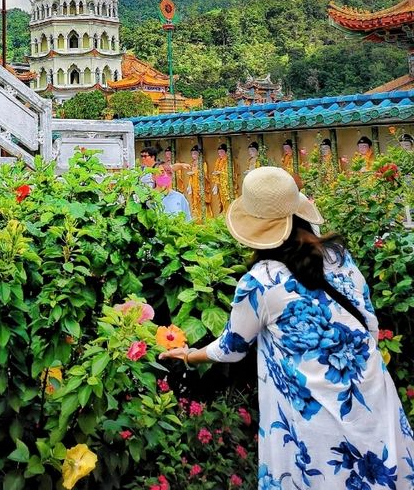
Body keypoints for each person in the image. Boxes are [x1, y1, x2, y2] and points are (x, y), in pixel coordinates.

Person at [159, 166, 414, 488]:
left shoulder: (261, 282)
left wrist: (190, 355)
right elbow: (370, 324)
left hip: (315, 419)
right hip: (371, 397)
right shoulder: (338, 256)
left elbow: (232, 348)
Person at [183, 145, 211, 222]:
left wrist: (195, 173)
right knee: (194, 202)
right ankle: (197, 218)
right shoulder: (192, 163)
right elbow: (190, 177)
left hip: (200, 186)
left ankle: (204, 218)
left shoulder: (203, 163)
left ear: (199, 154)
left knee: (201, 201)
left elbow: (204, 174)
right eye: (192, 154)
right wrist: (189, 185)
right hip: (193, 186)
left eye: (195, 153)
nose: (193, 155)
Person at [210, 143, 230, 215]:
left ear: (226, 152)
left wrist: (221, 173)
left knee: (226, 198)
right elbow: (217, 171)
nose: (220, 154)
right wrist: (216, 184)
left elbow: (230, 174)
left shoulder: (229, 161)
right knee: (221, 199)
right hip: (220, 184)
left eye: (221, 152)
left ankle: (228, 212)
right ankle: (224, 211)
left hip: (226, 184)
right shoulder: (218, 161)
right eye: (219, 152)